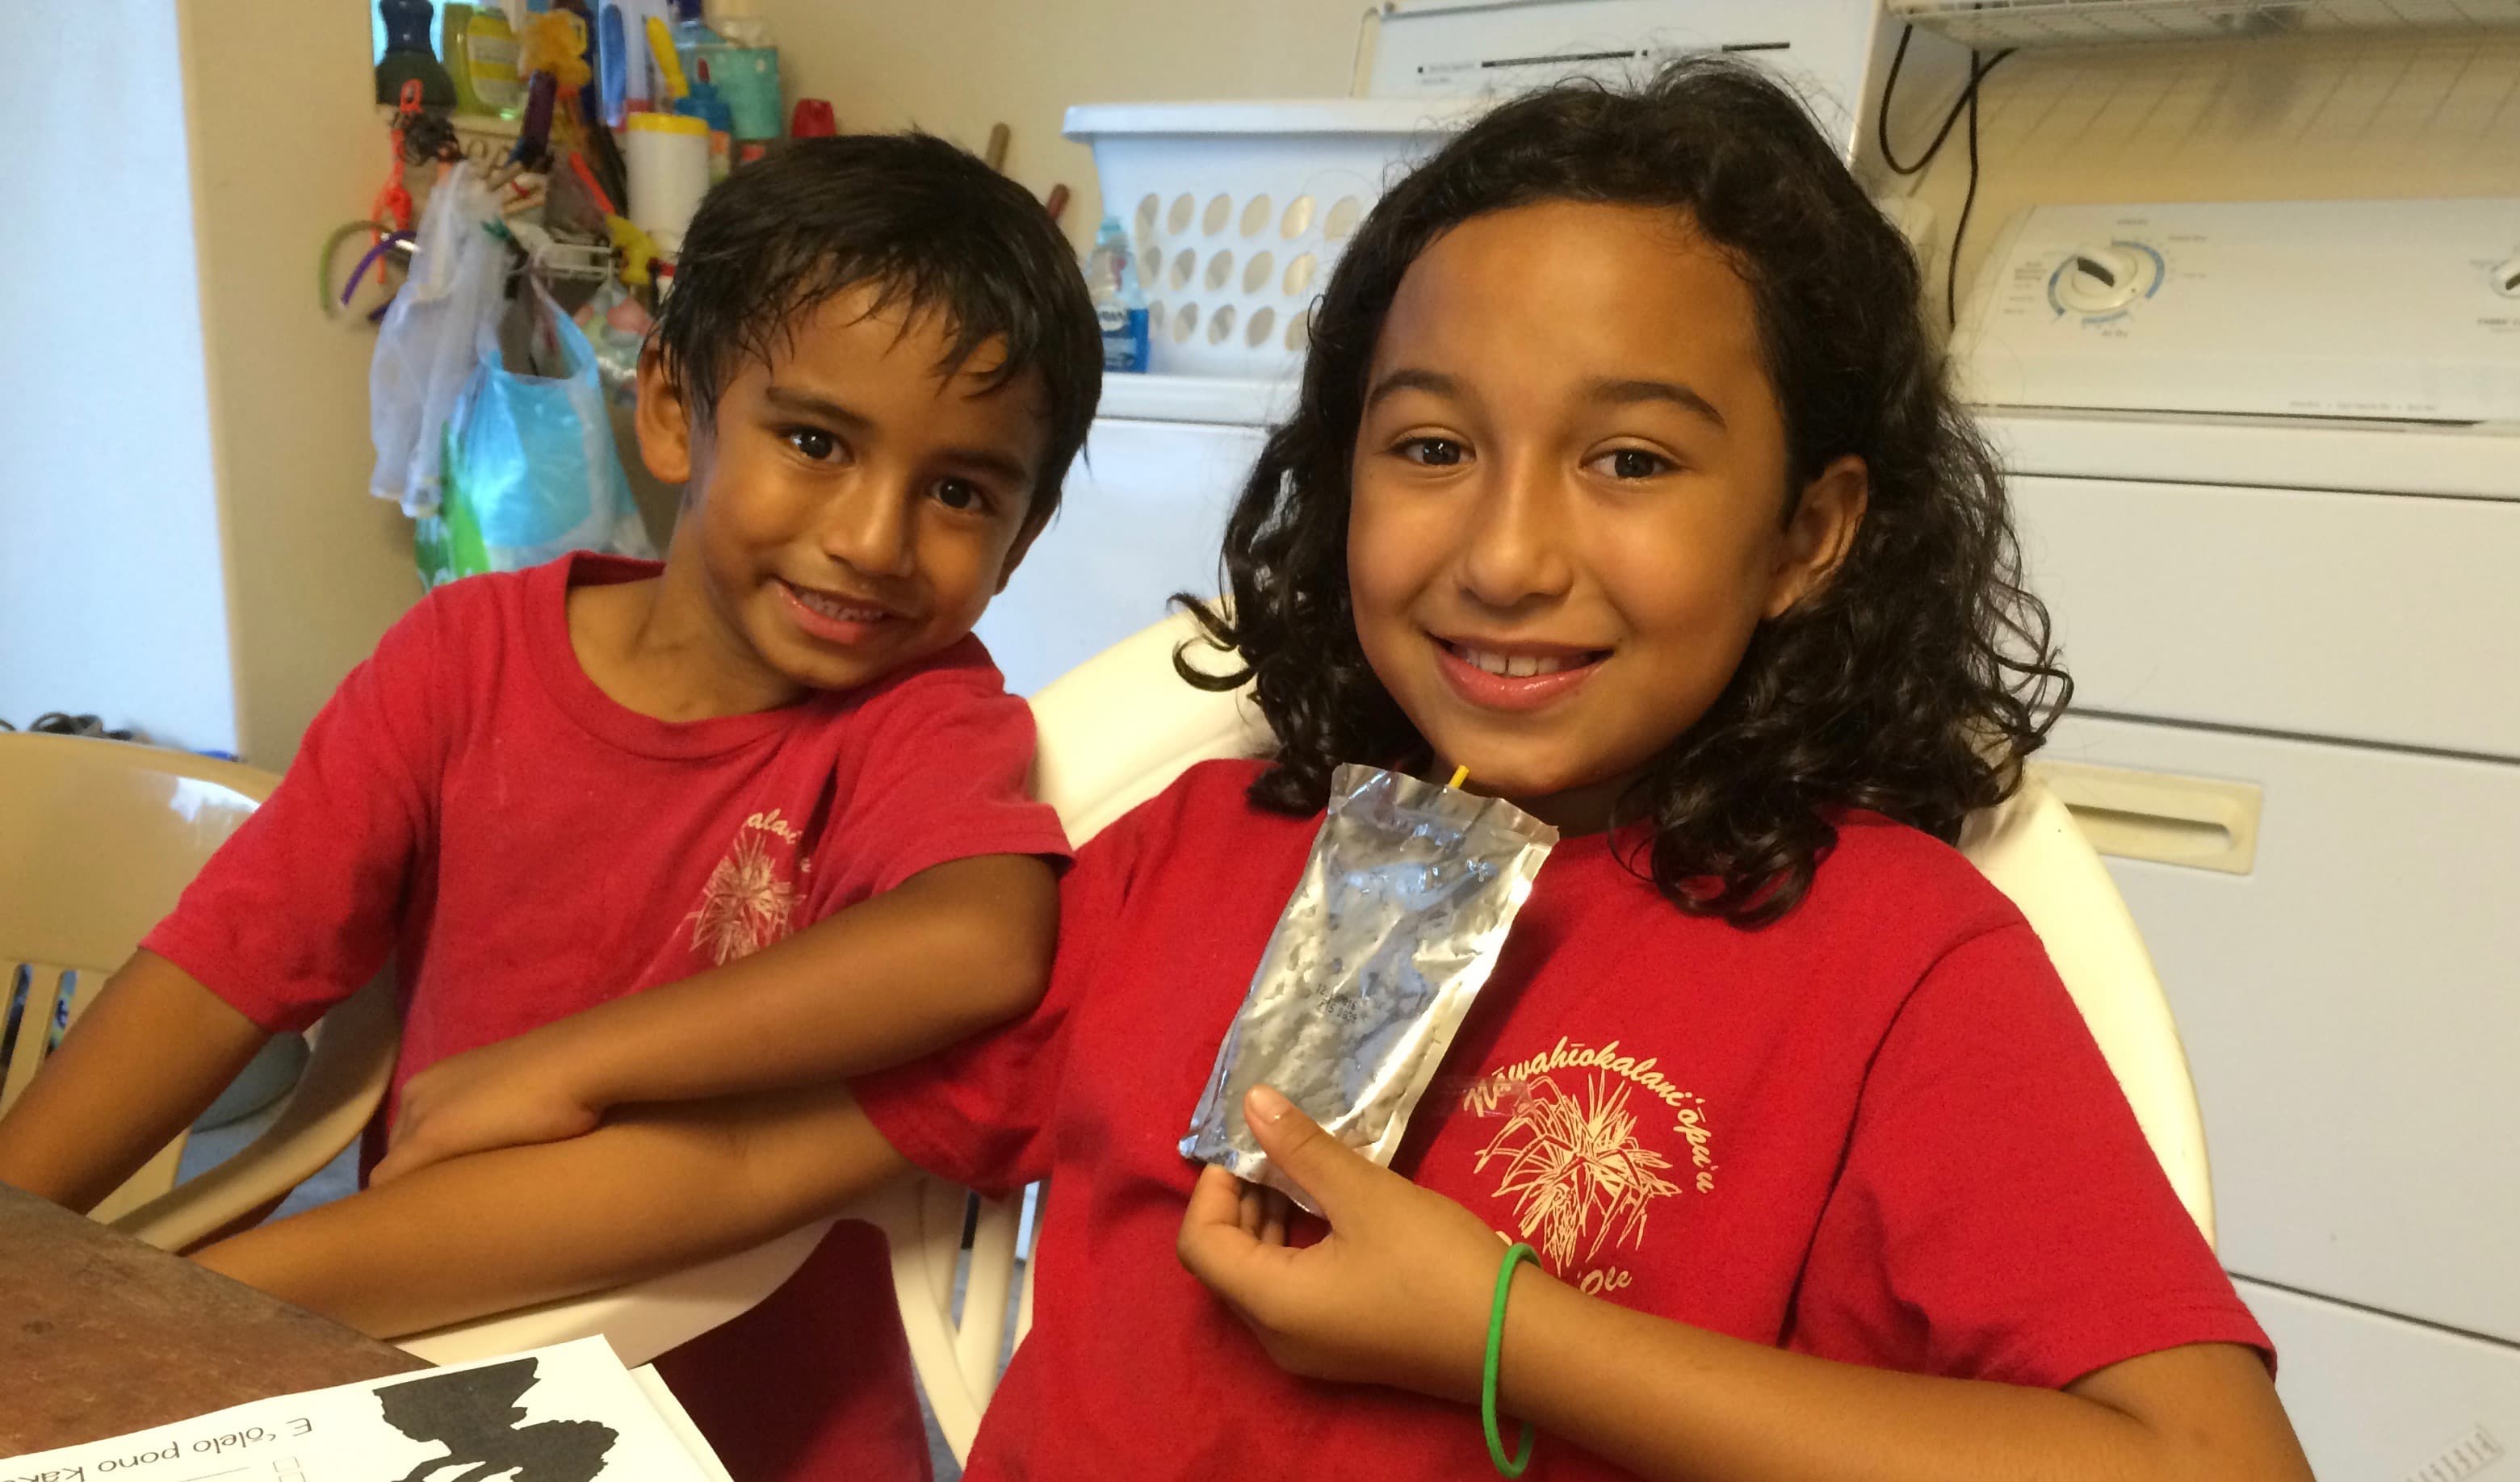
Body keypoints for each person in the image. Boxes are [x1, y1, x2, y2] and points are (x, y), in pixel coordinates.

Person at [182, 63, 2316, 1480]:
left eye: (1635, 459)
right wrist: (141, 1313)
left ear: (1813, 530)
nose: (1504, 549)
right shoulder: (1201, 857)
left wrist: (1494, 1329)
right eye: (1430, 446)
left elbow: (2204, 1461)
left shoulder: (1892, 956)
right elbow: (733, 1172)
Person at [0, 132, 1101, 1482]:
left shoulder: (924, 717)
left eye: (957, 492)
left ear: (1025, 533)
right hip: (432, 1384)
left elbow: (978, 940)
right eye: (815, 440)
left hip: (765, 1442)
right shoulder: (461, 663)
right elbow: (231, 958)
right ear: (673, 411)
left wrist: (563, 1063)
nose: (874, 539)